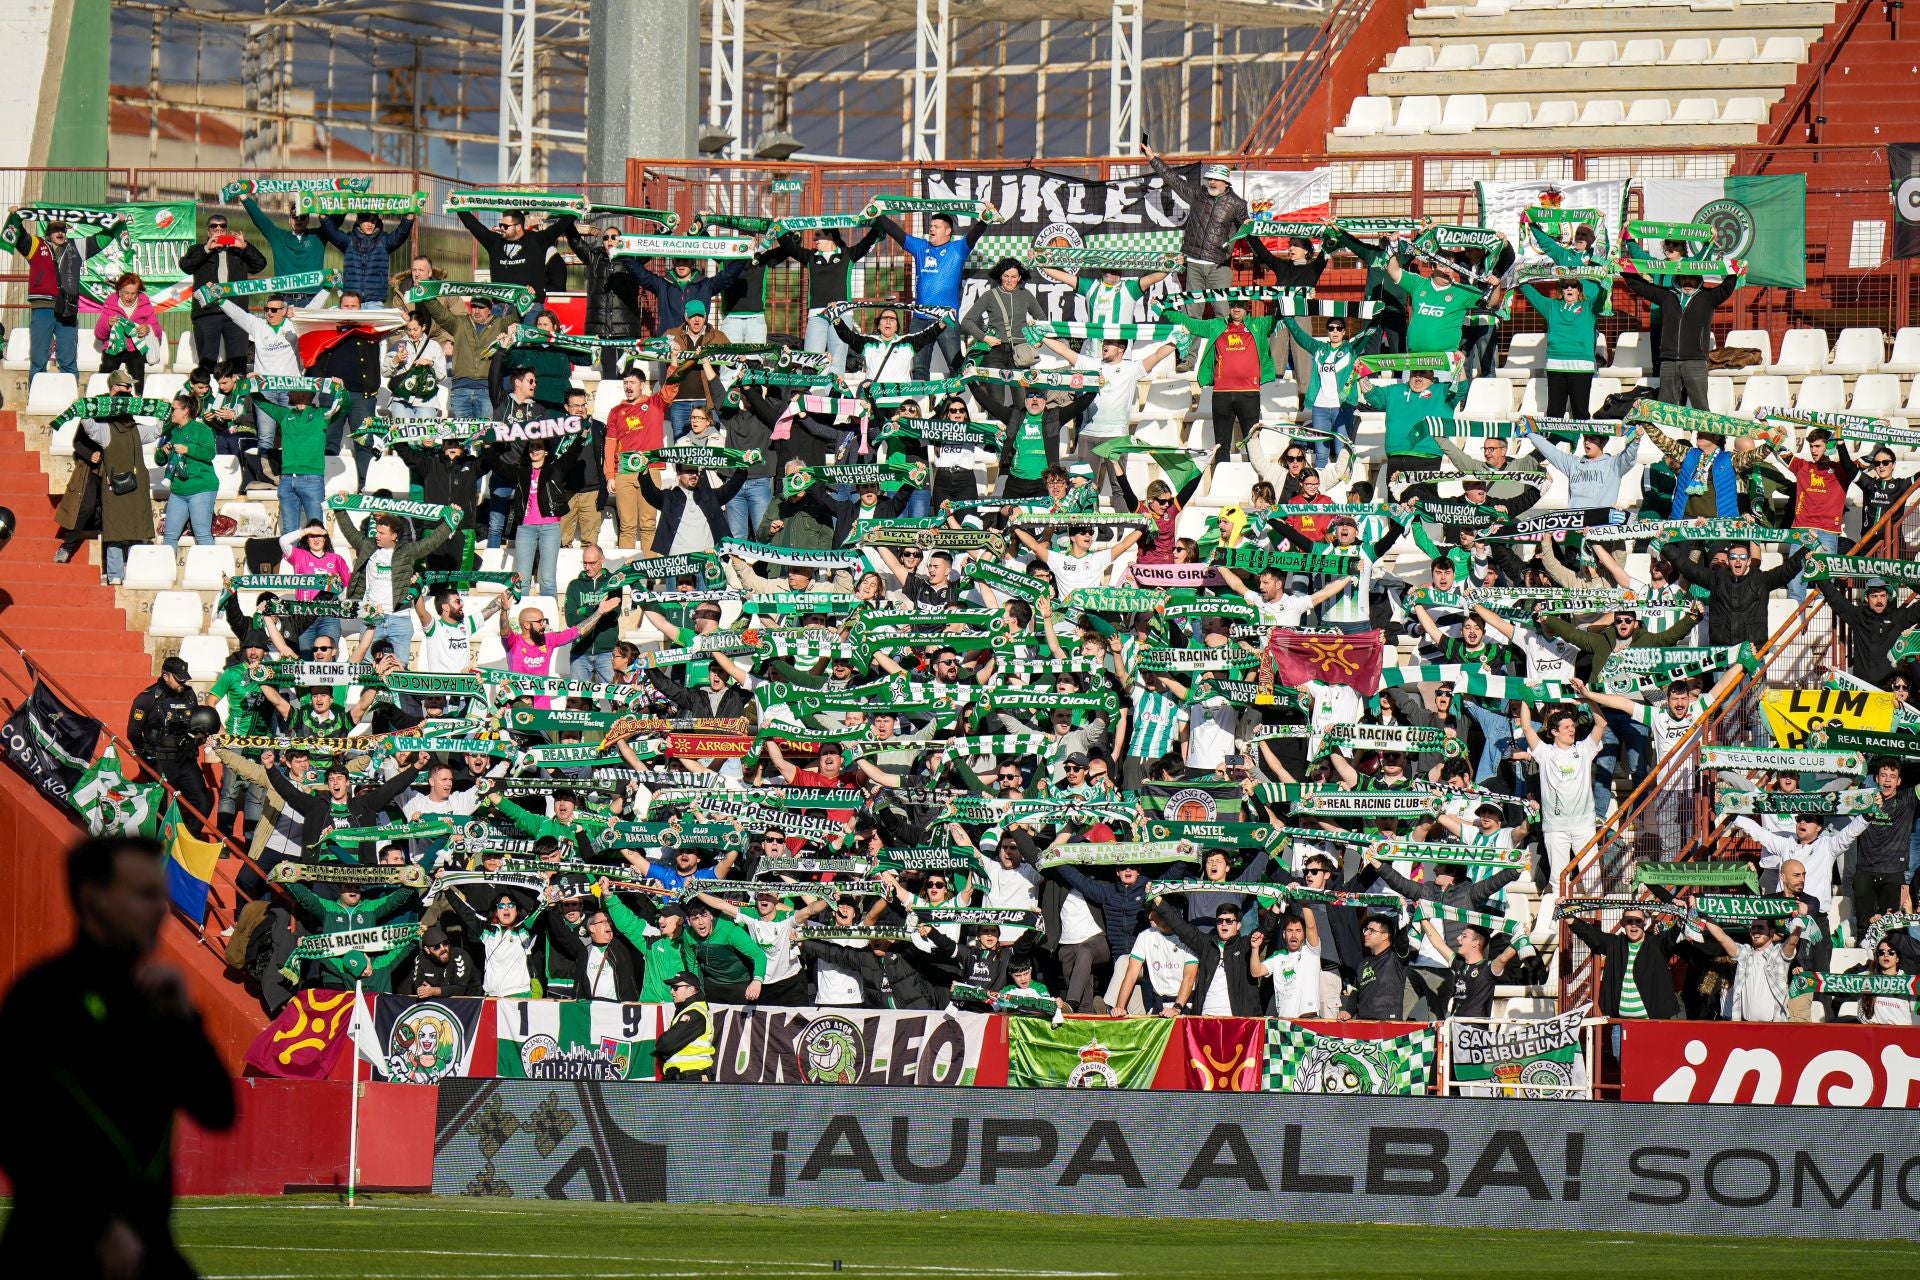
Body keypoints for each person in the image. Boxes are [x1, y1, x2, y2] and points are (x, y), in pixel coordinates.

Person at [0, 836, 234, 1277]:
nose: (160, 910)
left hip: (149, 1246)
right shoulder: (42, 997)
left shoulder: (159, 998)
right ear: (93, 900)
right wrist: (94, 1227)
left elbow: (218, 1111)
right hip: (52, 1247)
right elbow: (19, 1131)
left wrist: (186, 1020)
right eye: (144, 895)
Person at [874, 210, 996, 379]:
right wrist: (877, 212)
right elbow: (896, 231)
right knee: (918, 368)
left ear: (948, 231)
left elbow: (975, 233)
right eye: (930, 226)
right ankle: (920, 405)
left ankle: (952, 402)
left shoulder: (957, 249)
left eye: (936, 226)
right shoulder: (920, 247)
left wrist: (985, 218)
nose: (931, 229)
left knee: (956, 367)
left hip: (946, 318)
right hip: (920, 318)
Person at [1617, 258, 1745, 408]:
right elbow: (1639, 286)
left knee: (1701, 408)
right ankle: (1669, 432)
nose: (1687, 281)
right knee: (1666, 409)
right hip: (1668, 361)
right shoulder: (1667, 296)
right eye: (1684, 277)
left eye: (1691, 277)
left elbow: (1727, 287)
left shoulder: (1709, 297)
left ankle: (1705, 433)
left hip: (1696, 362)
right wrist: (1622, 267)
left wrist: (1735, 269)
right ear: (1677, 279)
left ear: (1698, 279)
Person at [1143, 147, 1248, 321]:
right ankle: (1191, 350)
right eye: (1210, 179)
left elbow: (1247, 231)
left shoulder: (1237, 204)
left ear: (1226, 183)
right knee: (1192, 314)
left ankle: (1221, 349)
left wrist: (1260, 251)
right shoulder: (1199, 195)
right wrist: (1153, 158)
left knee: (1222, 313)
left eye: (1216, 179)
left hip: (1219, 266)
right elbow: (1174, 180)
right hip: (1194, 264)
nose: (1212, 182)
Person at [341, 512, 456, 661]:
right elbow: (349, 531)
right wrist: (340, 508)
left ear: (394, 535)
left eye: (382, 533)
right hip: (373, 616)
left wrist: (451, 521)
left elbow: (432, 541)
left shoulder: (407, 551)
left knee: (401, 668)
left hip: (400, 618)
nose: (377, 536)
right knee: (367, 668)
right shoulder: (367, 545)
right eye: (377, 531)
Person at [12, 216, 116, 375]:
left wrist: (114, 222)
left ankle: (71, 399)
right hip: (43, 308)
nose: (60, 232)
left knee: (68, 360)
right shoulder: (36, 245)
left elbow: (102, 239)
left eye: (63, 229)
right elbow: (19, 236)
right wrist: (16, 218)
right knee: (38, 360)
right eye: (56, 229)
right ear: (49, 232)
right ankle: (34, 395)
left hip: (68, 309)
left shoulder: (76, 247)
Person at [604, 366, 682, 550]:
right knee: (627, 526)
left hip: (650, 469)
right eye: (625, 383)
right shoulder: (615, 412)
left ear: (642, 385)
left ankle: (651, 576)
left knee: (648, 525)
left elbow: (671, 387)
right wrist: (610, 475)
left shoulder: (655, 404)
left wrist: (673, 364)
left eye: (632, 382)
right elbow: (610, 445)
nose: (628, 386)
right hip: (624, 471)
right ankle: (627, 574)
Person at [179, 212, 268, 371]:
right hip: (207, 312)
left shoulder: (237, 250)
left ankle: (236, 395)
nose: (218, 229)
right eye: (214, 226)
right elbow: (186, 266)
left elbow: (260, 264)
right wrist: (207, 249)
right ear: (208, 231)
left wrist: (245, 248)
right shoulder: (198, 250)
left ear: (227, 230)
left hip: (235, 312)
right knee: (207, 362)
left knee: (238, 361)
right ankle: (206, 393)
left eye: (223, 226)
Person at [417, 292, 519, 421]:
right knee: (461, 437)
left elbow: (516, 318)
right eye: (474, 307)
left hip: (487, 391)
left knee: (484, 435)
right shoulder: (459, 323)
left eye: (481, 307)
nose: (476, 311)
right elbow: (440, 315)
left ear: (490, 309)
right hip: (460, 390)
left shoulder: (500, 324)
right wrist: (427, 295)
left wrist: (525, 298)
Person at [1516, 275, 1604, 418]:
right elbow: (1528, 290)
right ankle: (1554, 440)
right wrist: (1518, 273)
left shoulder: (1589, 306)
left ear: (1579, 291)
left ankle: (1582, 441)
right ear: (1561, 290)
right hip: (1556, 365)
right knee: (1554, 413)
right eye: (1565, 286)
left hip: (1581, 365)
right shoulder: (1551, 306)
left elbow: (1603, 295)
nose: (1569, 288)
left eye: (1573, 286)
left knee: (1580, 412)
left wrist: (1603, 278)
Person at [456, 206, 577, 301]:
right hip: (502, 306)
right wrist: (458, 206)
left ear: (518, 227)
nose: (501, 228)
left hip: (530, 305)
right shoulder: (495, 242)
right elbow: (474, 226)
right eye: (500, 225)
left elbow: (558, 227)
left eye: (505, 226)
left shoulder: (536, 240)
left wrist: (578, 208)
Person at [317, 208, 415, 304]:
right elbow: (331, 232)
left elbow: (401, 234)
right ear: (358, 220)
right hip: (352, 301)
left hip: (375, 302)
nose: (370, 224)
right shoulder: (349, 241)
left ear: (377, 221)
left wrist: (409, 216)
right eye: (365, 220)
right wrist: (323, 216)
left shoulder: (384, 242)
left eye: (373, 220)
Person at [240, 193, 327, 297]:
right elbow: (260, 219)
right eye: (295, 217)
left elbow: (334, 223)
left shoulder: (318, 236)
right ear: (289, 220)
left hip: (312, 297)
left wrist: (322, 212)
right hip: (285, 298)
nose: (298, 220)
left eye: (302, 217)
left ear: (308, 220)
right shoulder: (278, 237)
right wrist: (244, 197)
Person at [88, 272, 159, 391]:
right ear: (119, 291)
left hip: (136, 347)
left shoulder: (145, 304)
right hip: (114, 346)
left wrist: (148, 328)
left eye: (133, 293)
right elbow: (99, 334)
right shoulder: (110, 303)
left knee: (137, 365)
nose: (129, 297)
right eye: (126, 293)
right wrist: (108, 325)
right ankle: (101, 394)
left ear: (138, 292)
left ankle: (137, 398)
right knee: (108, 365)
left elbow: (157, 329)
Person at [563, 547, 624, 683]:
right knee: (578, 700)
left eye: (592, 563)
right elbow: (571, 620)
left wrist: (584, 610)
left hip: (607, 652)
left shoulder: (614, 583)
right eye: (585, 563)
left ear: (602, 560)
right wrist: (600, 610)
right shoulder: (574, 585)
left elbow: (613, 615)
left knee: (614, 699)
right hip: (580, 652)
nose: (587, 567)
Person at [654, 971, 716, 1080]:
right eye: (672, 988)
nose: (672, 991)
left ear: (691, 989)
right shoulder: (688, 1010)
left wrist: (663, 1046)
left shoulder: (694, 1013)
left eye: (676, 987)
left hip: (691, 1078)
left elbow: (665, 1044)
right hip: (687, 1077)